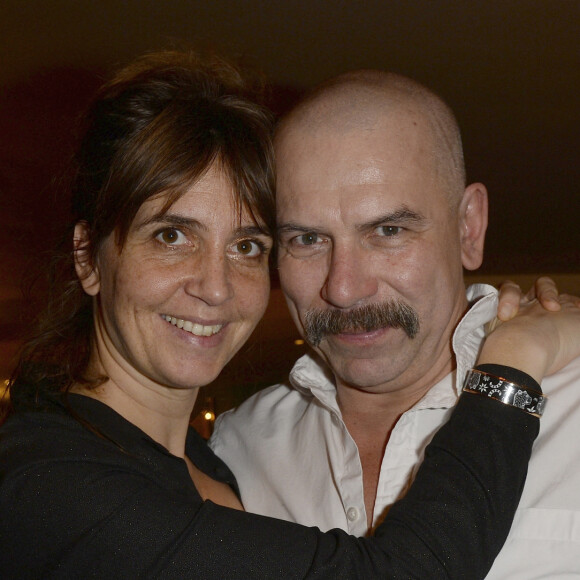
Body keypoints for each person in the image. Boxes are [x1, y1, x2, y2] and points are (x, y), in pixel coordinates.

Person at [0, 51, 574, 579]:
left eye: (247, 245)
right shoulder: (52, 481)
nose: (344, 289)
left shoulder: (219, 459)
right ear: (88, 258)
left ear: (468, 226)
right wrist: (514, 363)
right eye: (171, 235)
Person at [209, 70, 580, 578]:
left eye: (388, 230)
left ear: (468, 227)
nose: (343, 288)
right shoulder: (237, 449)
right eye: (307, 240)